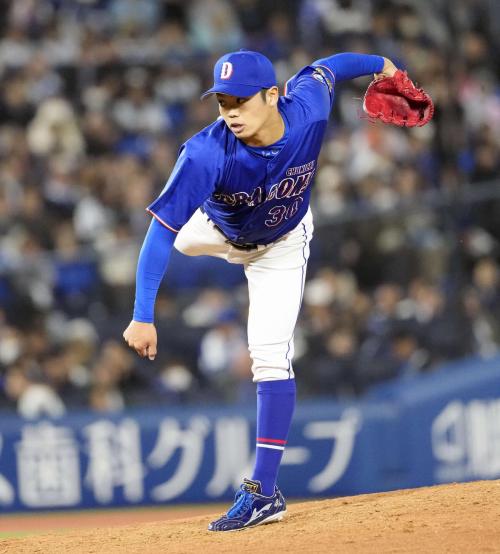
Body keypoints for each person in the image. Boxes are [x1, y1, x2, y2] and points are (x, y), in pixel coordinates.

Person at [123, 49, 397, 531]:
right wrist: (142, 315)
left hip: (280, 246)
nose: (230, 112)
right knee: (180, 237)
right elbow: (159, 235)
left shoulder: (308, 107)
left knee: (269, 358)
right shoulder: (205, 152)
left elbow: (329, 67)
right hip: (214, 231)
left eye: (241, 100)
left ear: (272, 96)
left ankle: (264, 493)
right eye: (222, 101)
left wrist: (384, 66)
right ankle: (204, 220)